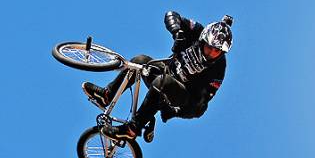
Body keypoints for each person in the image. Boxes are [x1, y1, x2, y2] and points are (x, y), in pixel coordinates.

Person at [82, 12, 233, 141]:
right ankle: (108, 95)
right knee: (140, 61)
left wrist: (174, 111)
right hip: (168, 73)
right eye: (210, 47)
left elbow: (201, 104)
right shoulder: (196, 31)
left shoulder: (218, 69)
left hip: (183, 100)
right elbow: (171, 15)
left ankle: (131, 129)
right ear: (203, 39)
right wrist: (177, 32)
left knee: (163, 82)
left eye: (217, 51)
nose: (212, 52)